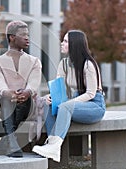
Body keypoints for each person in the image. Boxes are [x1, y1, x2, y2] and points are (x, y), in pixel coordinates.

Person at [32, 30, 106, 162]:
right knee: (47, 103)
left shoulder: (89, 65)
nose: (62, 43)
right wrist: (50, 97)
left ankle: (53, 146)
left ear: (74, 44)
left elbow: (91, 93)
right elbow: (59, 89)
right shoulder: (64, 64)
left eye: (65, 41)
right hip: (76, 103)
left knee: (65, 107)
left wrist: (69, 104)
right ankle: (52, 145)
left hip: (94, 105)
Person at [0, 20, 42, 157]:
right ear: (12, 37)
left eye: (28, 35)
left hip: (28, 107)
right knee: (6, 98)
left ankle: (7, 142)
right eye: (23, 35)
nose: (27, 38)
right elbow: (0, 84)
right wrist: (9, 93)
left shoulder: (35, 61)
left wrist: (27, 92)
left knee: (25, 98)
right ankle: (12, 141)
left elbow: (34, 83)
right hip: (5, 106)